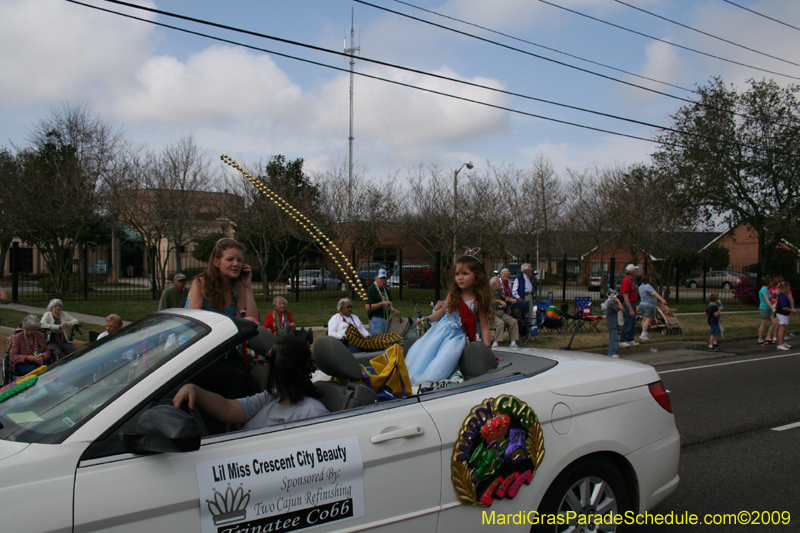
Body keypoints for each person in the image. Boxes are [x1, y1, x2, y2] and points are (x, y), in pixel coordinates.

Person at [173, 336, 328, 430]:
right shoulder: (271, 398)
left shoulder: (311, 414)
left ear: (281, 370)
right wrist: (194, 390)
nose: (262, 362)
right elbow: (228, 408)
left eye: (267, 358)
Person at [407, 254, 494, 384]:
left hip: (458, 337)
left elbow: (484, 326)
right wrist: (428, 319)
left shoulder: (479, 300)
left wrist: (488, 351)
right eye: (457, 274)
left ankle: (433, 379)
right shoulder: (453, 294)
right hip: (441, 331)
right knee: (426, 353)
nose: (460, 278)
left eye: (465, 273)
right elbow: (442, 311)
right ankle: (417, 378)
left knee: (445, 357)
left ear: (477, 276)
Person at [185, 238, 259, 324]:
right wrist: (236, 322)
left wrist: (248, 288)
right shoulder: (201, 283)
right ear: (216, 262)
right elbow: (194, 322)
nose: (236, 264)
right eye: (230, 259)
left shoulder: (237, 286)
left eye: (239, 260)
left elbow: (253, 321)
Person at [366, 268, 400, 334]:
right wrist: (382, 304)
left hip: (386, 319)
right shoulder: (372, 289)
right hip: (377, 319)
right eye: (381, 278)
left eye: (384, 278)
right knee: (378, 341)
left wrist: (393, 310)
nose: (383, 280)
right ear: (376, 278)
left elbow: (388, 304)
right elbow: (368, 307)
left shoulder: (386, 290)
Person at [490, 276, 519, 348]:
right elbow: (488, 301)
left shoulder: (499, 291)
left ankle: (513, 342)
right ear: (494, 283)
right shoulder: (488, 291)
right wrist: (499, 301)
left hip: (501, 313)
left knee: (513, 321)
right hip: (492, 313)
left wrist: (511, 300)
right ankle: (496, 342)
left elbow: (505, 297)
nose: (500, 284)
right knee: (500, 323)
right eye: (499, 282)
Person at [637, 274, 667, 341]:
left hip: (642, 304)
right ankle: (643, 334)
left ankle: (644, 332)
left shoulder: (640, 286)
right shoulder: (648, 286)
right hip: (649, 305)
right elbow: (654, 293)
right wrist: (662, 299)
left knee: (644, 319)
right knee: (649, 319)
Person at [619, 264, 640, 348]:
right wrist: (630, 309)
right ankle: (623, 339)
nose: (636, 271)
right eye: (635, 270)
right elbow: (625, 296)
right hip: (629, 303)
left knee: (633, 322)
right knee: (627, 322)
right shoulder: (626, 281)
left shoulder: (632, 280)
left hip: (633, 302)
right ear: (631, 272)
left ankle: (630, 339)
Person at [775, 281, 796, 351]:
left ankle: (783, 342)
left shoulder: (782, 296)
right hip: (782, 314)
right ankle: (780, 344)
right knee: (782, 329)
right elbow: (784, 307)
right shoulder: (783, 297)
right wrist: (791, 310)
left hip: (784, 314)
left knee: (785, 328)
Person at [757, 276, 774, 345]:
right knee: (764, 323)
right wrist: (772, 307)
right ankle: (760, 338)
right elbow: (766, 300)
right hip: (764, 308)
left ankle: (768, 336)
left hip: (769, 308)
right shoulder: (763, 289)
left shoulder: (767, 289)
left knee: (775, 322)